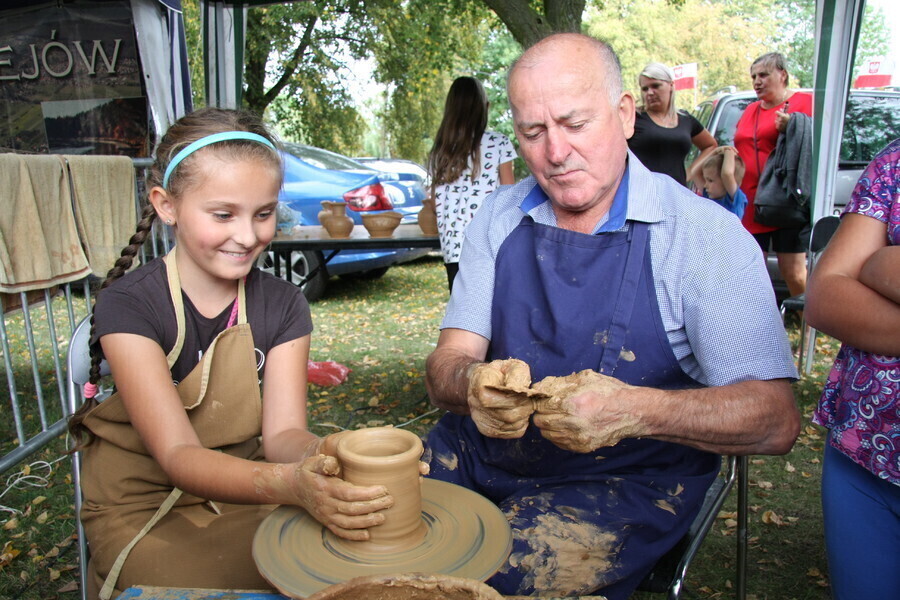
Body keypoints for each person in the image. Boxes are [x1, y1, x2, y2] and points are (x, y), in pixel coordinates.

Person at [424, 33, 800, 599]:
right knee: (364, 530)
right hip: (479, 453)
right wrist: (470, 383)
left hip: (626, 478)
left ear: (625, 114)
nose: (555, 152)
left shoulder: (704, 236)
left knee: (493, 580)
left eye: (575, 124)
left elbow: (775, 419)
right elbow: (446, 366)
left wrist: (636, 410)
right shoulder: (498, 216)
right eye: (533, 132)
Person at [68, 108, 394, 599]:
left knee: (346, 563)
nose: (247, 236)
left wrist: (328, 455)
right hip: (144, 504)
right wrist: (290, 485)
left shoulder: (283, 304)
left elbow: (282, 435)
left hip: (250, 490)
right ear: (166, 205)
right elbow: (178, 456)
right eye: (223, 215)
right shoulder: (130, 305)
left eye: (263, 214)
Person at [805, 138, 900, 600]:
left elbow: (863, 268)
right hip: (865, 450)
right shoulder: (894, 162)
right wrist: (880, 265)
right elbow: (825, 297)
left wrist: (880, 263)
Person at [733, 52, 813, 299]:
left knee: (794, 272)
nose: (757, 81)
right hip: (749, 201)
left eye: (764, 75)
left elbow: (820, 144)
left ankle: (805, 320)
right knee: (751, 271)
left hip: (785, 199)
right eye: (754, 76)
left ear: (783, 75)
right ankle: (759, 319)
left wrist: (793, 126)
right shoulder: (750, 110)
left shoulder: (806, 103)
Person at [427, 76, 516, 291]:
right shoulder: (498, 143)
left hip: (453, 251)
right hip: (489, 248)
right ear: (484, 107)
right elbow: (509, 198)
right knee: (494, 310)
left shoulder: (440, 151)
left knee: (461, 311)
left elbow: (434, 204)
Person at [627, 62, 717, 187]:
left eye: (656, 86)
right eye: (645, 89)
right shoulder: (633, 118)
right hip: (642, 191)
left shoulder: (685, 119)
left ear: (671, 85)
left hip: (677, 191)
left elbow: (710, 145)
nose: (650, 93)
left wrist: (690, 172)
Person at [694, 145, 748, 218]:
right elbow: (695, 173)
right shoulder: (709, 196)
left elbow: (727, 174)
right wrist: (714, 152)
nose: (705, 185)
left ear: (726, 182)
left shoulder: (735, 201)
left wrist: (729, 151)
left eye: (710, 180)